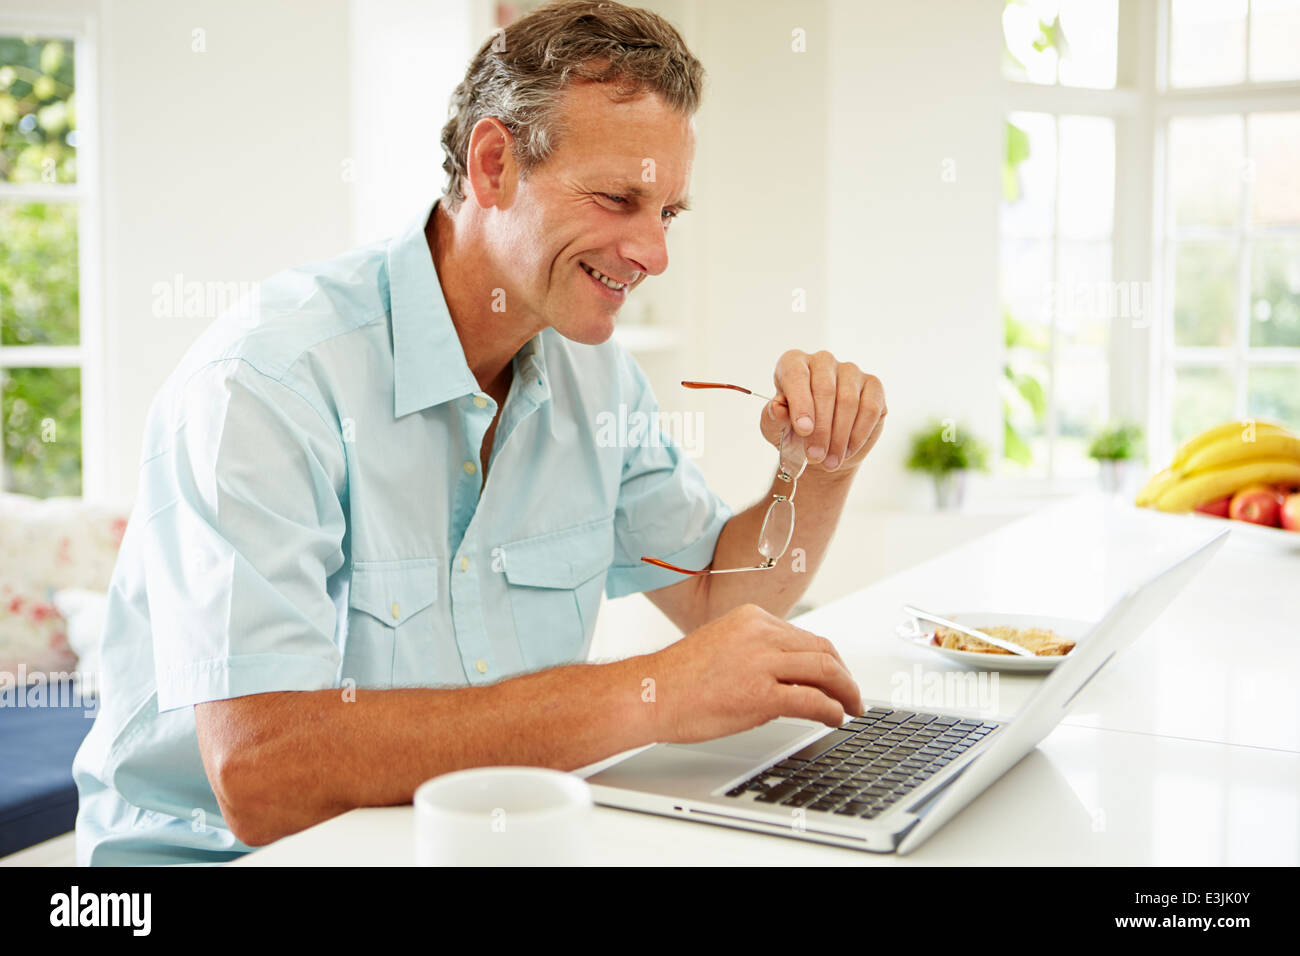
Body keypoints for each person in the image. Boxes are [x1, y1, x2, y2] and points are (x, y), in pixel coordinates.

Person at [73, 0, 886, 865]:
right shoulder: (270, 383)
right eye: (620, 198)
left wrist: (818, 467)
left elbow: (717, 597)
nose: (654, 252)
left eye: (669, 213)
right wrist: (647, 696)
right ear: (494, 163)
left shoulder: (593, 376)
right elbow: (266, 775)